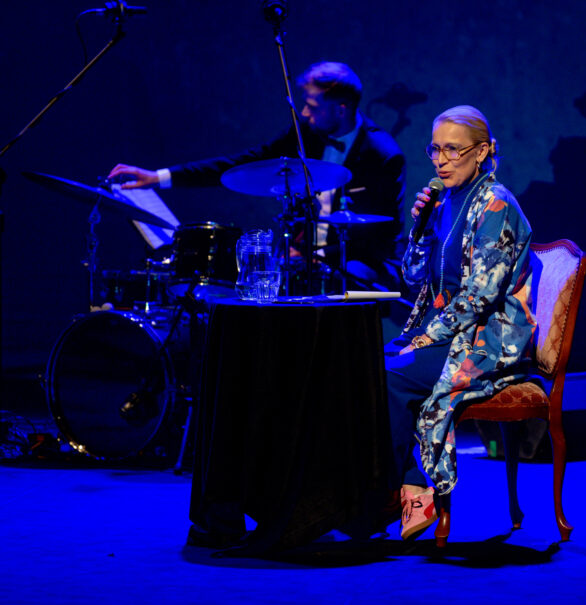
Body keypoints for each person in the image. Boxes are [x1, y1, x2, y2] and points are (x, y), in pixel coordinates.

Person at [108, 61, 407, 288]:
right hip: (305, 254)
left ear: (341, 109)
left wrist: (319, 255)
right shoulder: (307, 133)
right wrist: (159, 177)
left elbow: (382, 238)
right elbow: (244, 163)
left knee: (336, 279)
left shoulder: (383, 155)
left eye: (312, 106)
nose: (304, 113)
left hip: (361, 261)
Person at [385, 105, 537, 540]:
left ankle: (407, 490)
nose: (441, 160)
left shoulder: (496, 206)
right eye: (435, 149)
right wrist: (419, 229)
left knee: (390, 376)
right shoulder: (444, 201)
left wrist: (424, 340)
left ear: (482, 151)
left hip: (486, 340)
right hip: (444, 330)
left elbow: (480, 297)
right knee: (361, 365)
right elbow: (413, 277)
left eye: (453, 149)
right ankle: (397, 485)